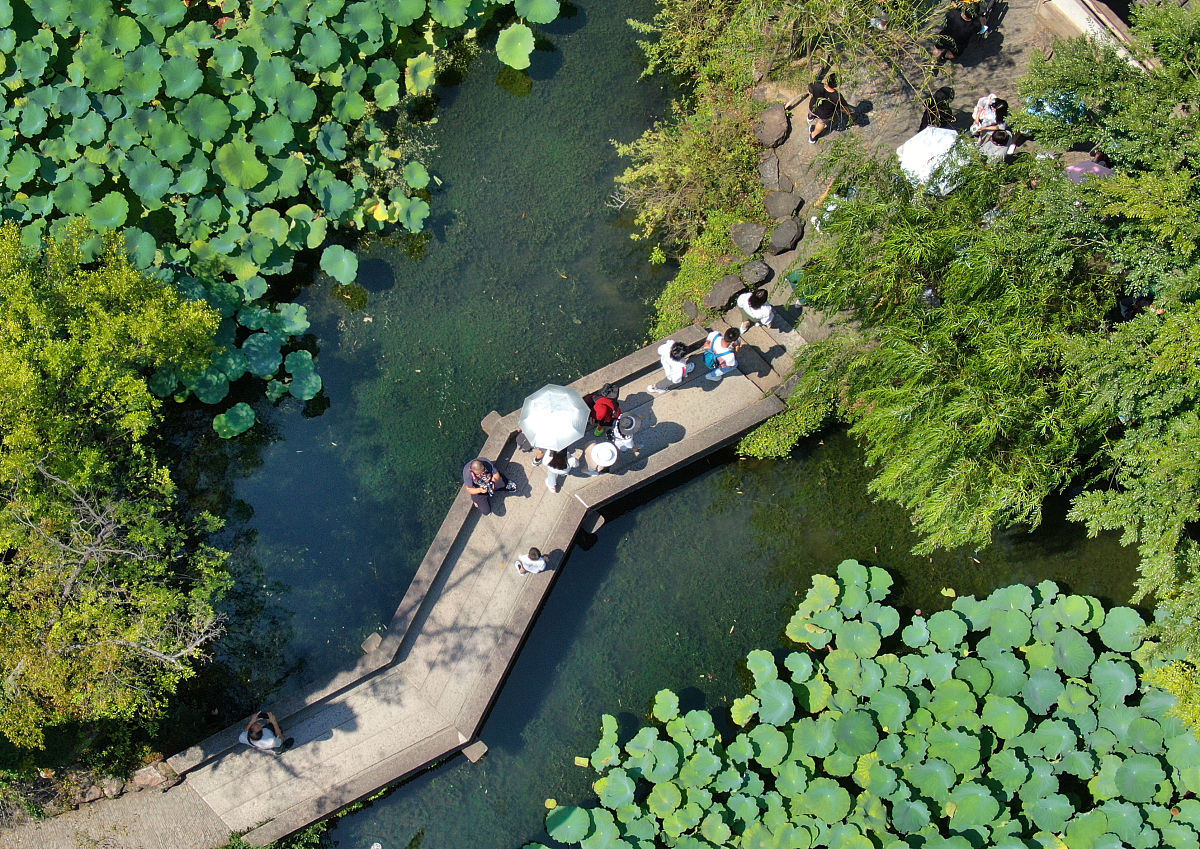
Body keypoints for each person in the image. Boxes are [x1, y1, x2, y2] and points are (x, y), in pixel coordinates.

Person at [806, 74, 846, 144]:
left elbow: (810, 89)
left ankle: (810, 117)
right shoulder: (837, 97)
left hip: (813, 106)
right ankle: (812, 136)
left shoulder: (817, 85)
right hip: (825, 114)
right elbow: (843, 108)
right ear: (837, 85)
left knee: (811, 111)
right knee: (821, 123)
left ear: (827, 81)